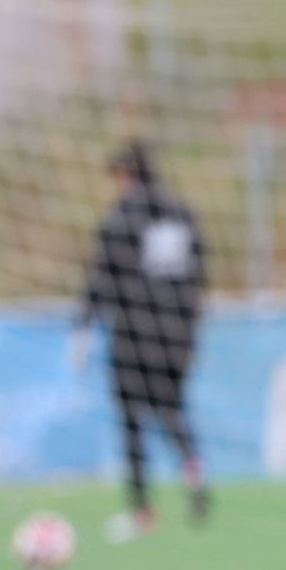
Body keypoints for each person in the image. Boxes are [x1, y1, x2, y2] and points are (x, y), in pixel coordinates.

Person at [75, 140, 210, 537]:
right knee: (172, 414)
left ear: (125, 174)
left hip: (135, 334)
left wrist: (83, 324)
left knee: (132, 420)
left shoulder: (122, 217)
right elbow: (199, 273)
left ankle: (141, 509)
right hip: (178, 336)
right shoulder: (183, 212)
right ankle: (196, 482)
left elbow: (103, 275)